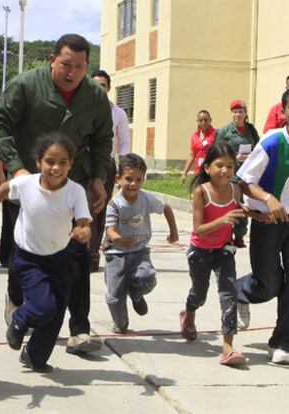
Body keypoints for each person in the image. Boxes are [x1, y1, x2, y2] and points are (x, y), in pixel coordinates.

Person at [0, 34, 113, 355]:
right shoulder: (26, 85)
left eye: (80, 67)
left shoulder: (95, 96)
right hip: (29, 184)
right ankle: (16, 297)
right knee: (20, 252)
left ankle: (79, 328)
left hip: (75, 184)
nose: (72, 73)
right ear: (51, 59)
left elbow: (102, 139)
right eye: (66, 65)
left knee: (77, 254)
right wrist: (16, 167)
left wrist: (98, 178)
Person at [0, 132, 92, 372]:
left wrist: (84, 231)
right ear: (38, 162)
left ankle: (35, 356)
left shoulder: (75, 191)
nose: (56, 167)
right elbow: (4, 188)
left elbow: (83, 221)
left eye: (63, 162)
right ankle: (19, 320)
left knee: (56, 311)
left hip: (61, 257)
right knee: (43, 306)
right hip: (29, 257)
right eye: (50, 161)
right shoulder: (26, 184)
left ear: (71, 164)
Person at [179, 142, 247, 366]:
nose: (225, 171)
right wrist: (222, 220)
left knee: (229, 293)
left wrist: (257, 215)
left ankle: (227, 347)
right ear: (207, 167)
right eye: (219, 165)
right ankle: (189, 313)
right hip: (199, 252)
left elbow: (238, 212)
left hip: (224, 251)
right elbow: (198, 229)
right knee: (199, 293)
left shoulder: (235, 190)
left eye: (230, 166)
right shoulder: (201, 191)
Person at [235, 89, 289, 365]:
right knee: (269, 284)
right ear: (285, 111)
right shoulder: (273, 141)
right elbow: (244, 180)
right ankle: (239, 291)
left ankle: (281, 343)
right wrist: (268, 201)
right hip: (269, 221)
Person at [104, 154, 178, 333]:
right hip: (116, 254)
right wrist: (120, 240)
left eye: (139, 179)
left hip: (139, 252)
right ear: (118, 179)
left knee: (147, 278)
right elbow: (110, 231)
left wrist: (173, 232)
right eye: (129, 179)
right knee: (114, 296)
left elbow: (166, 208)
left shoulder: (146, 199)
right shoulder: (114, 205)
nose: (133, 184)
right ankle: (120, 323)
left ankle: (136, 295)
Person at [89, 69, 131, 272]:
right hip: (83, 164)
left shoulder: (118, 113)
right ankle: (80, 251)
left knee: (99, 208)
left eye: (102, 86)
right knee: (83, 208)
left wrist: (122, 172)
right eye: (95, 85)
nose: (99, 89)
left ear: (108, 88)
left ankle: (92, 252)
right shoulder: (82, 109)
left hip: (106, 165)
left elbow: (124, 144)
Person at [215, 99, 260, 248]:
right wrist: (234, 157)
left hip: (247, 174)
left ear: (245, 113)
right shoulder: (225, 131)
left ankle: (239, 235)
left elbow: (259, 148)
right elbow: (217, 152)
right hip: (229, 174)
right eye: (235, 112)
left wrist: (252, 155)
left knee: (243, 206)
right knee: (229, 205)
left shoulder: (251, 130)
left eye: (240, 111)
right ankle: (226, 235)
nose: (237, 114)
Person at [181, 110, 216, 184]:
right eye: (200, 120)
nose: (203, 123)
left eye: (206, 120)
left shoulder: (216, 134)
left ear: (210, 120)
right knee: (197, 193)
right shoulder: (194, 136)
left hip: (211, 172)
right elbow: (192, 155)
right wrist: (184, 173)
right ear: (197, 121)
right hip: (198, 172)